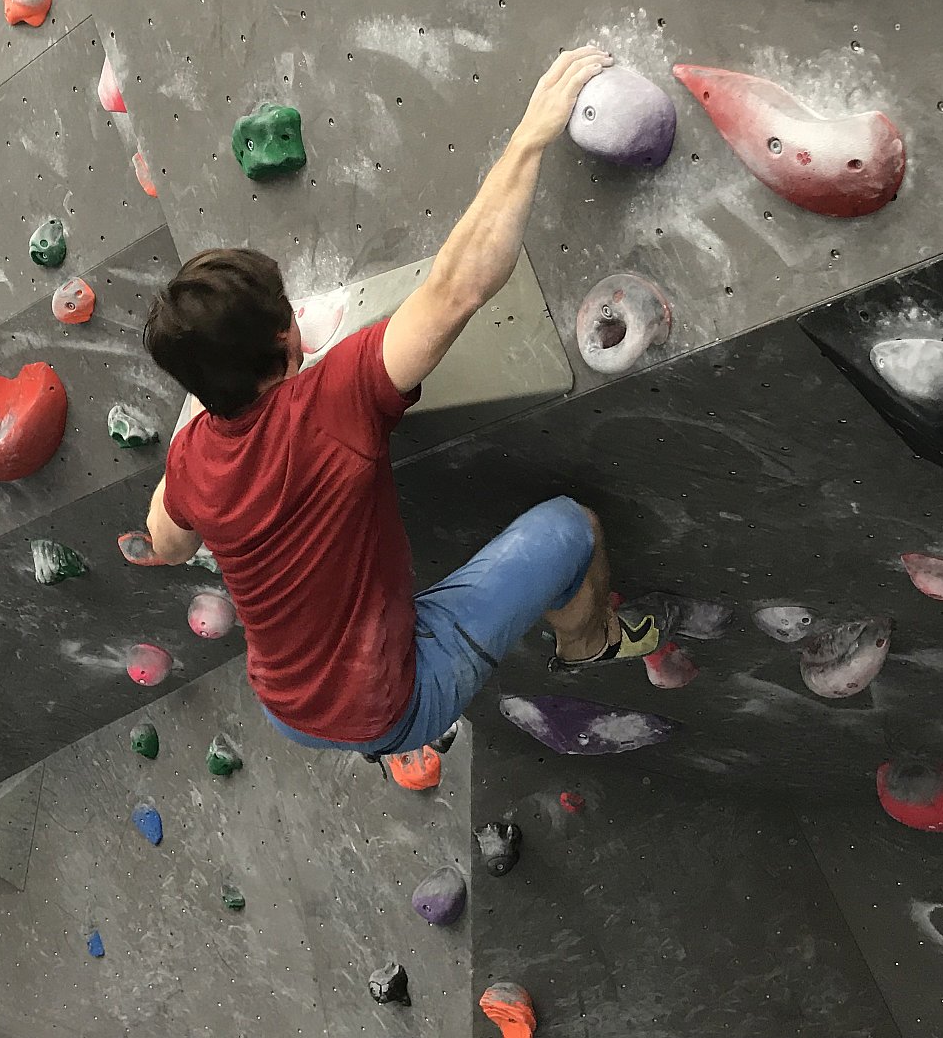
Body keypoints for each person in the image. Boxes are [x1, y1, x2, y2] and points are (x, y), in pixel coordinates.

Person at [139, 46, 662, 764]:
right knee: (573, 527)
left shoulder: (194, 455)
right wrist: (532, 133)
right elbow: (457, 288)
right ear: (288, 340)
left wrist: (192, 441)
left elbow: (167, 543)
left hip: (289, 705)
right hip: (392, 703)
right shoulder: (335, 398)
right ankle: (589, 642)